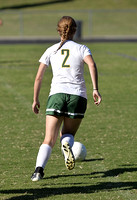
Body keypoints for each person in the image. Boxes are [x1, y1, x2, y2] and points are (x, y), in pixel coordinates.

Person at [31, 16, 102, 181]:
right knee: (68, 133)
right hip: (78, 96)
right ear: (75, 31)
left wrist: (35, 99)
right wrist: (95, 89)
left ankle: (38, 171)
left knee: (49, 138)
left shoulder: (51, 50)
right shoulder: (82, 48)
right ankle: (67, 144)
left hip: (57, 94)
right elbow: (91, 65)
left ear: (58, 30)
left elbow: (38, 77)